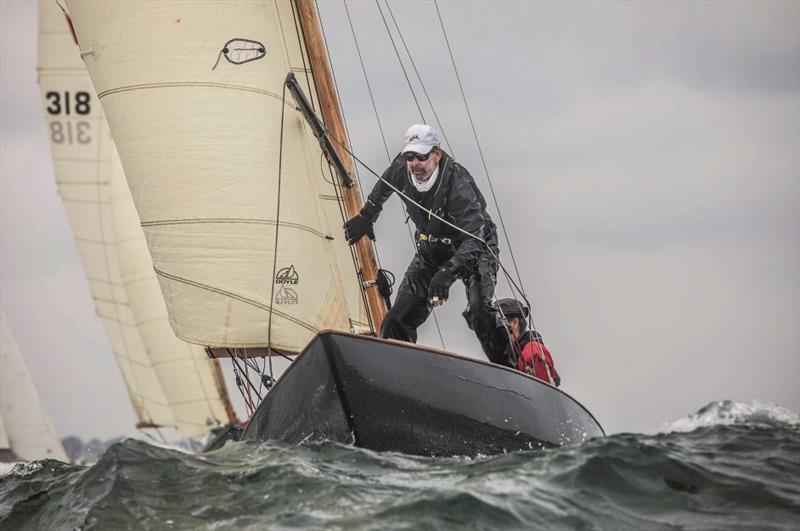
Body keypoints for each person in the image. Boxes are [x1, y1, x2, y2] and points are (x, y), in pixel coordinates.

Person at [344, 124, 499, 346]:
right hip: (433, 250)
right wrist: (367, 216)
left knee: (480, 312)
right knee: (395, 321)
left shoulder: (458, 184)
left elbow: (475, 238)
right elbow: (383, 188)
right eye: (410, 156)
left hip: (475, 246)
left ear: (437, 153)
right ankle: (398, 371)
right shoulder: (402, 167)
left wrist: (447, 273)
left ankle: (509, 365)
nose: (415, 163)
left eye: (422, 156)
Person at [489, 298, 561, 386]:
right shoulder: (514, 354)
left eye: (499, 327)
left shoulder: (532, 351)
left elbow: (545, 392)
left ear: (515, 323)